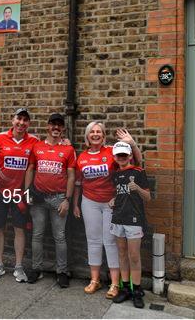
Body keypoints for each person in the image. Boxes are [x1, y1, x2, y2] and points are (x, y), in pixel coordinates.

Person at [73, 122, 142, 299]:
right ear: (87, 136)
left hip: (112, 203)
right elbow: (78, 183)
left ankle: (114, 283)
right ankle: (95, 280)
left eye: (99, 132)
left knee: (110, 242)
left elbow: (137, 162)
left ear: (103, 136)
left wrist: (132, 143)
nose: (95, 134)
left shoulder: (111, 152)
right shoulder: (81, 157)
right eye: (92, 132)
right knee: (93, 240)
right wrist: (75, 203)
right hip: (89, 202)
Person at [0, 108, 38, 283]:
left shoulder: (34, 142)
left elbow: (38, 159)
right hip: (0, 192)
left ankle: (19, 266)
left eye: (25, 120)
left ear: (29, 124)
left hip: (19, 194)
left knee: (19, 229)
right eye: (18, 119)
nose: (21, 123)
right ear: (12, 120)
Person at [24, 113, 76, 288]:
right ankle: (36, 269)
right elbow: (30, 169)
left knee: (60, 237)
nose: (56, 128)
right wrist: (26, 192)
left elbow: (71, 177)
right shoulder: (37, 147)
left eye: (59, 125)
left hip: (58, 199)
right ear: (47, 126)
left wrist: (67, 200)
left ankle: (62, 271)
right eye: (53, 124)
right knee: (37, 235)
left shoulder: (68, 150)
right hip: (38, 198)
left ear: (63, 129)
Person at [109, 141, 151, 308]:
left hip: (134, 219)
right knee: (122, 253)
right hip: (118, 218)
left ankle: (137, 290)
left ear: (130, 155)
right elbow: (118, 194)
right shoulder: (115, 175)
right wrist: (113, 200)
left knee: (134, 256)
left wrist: (138, 189)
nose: (121, 157)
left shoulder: (139, 172)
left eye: (124, 155)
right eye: (118, 155)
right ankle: (126, 288)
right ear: (115, 157)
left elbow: (148, 197)